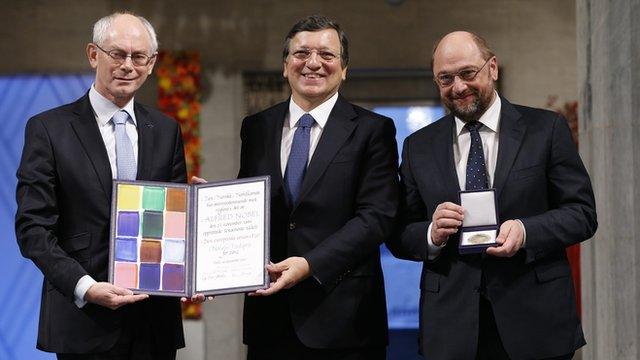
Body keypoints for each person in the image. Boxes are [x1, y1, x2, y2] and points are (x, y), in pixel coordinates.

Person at [387, 31, 597, 360]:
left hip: (536, 320)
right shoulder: (418, 146)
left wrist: (526, 231)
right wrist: (431, 233)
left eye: (468, 73)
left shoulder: (546, 129)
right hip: (452, 327)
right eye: (445, 78)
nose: (458, 86)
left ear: (493, 68)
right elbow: (398, 232)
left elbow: (582, 214)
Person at [15, 11, 190, 359]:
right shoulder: (49, 129)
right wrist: (86, 287)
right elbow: (33, 227)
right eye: (117, 54)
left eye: (139, 56)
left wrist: (195, 217)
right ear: (94, 54)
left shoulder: (167, 130)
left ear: (151, 63)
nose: (128, 65)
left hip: (153, 325)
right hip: (83, 320)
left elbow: (177, 222)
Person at [238, 15, 399, 359]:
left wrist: (310, 264)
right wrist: (217, 211)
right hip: (270, 320)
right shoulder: (256, 127)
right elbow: (249, 206)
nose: (313, 63)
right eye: (301, 54)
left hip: (346, 321)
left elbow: (377, 217)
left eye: (327, 55)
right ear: (285, 66)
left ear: (344, 69)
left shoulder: (374, 130)